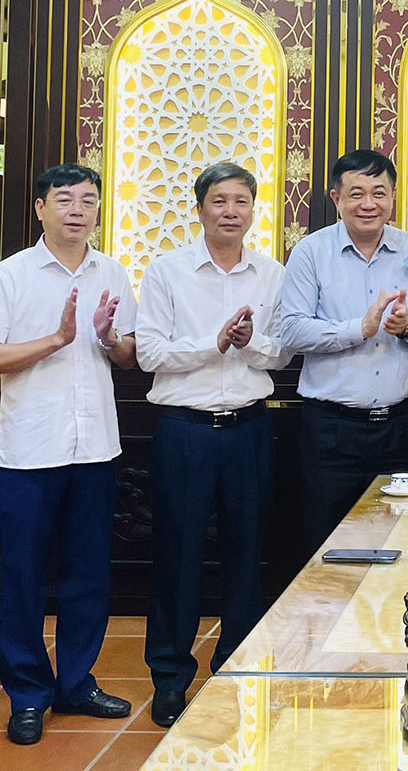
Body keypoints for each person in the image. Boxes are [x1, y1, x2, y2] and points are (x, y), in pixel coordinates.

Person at [0, 163, 137, 746]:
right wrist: (56, 340)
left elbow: (128, 355)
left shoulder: (112, 272)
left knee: (88, 573)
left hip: (95, 449)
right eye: (64, 199)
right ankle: (28, 695)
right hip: (29, 452)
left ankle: (77, 683)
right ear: (40, 209)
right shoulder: (8, 276)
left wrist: (109, 338)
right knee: (25, 577)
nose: (77, 210)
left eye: (88, 200)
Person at [135, 162, 288, 728]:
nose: (230, 212)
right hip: (186, 432)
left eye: (241, 201)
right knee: (177, 557)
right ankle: (170, 678)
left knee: (248, 556)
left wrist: (249, 343)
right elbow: (149, 353)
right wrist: (214, 343)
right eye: (219, 201)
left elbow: (283, 354)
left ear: (253, 210)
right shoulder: (167, 271)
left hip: (249, 430)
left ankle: (235, 671)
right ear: (200, 208)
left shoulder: (271, 274)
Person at [276, 149, 408, 555]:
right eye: (356, 193)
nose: (368, 204)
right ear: (336, 198)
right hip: (331, 429)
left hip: (400, 426)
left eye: (379, 193)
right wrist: (357, 330)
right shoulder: (310, 252)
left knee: (398, 541)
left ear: (393, 196)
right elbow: (290, 329)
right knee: (328, 546)